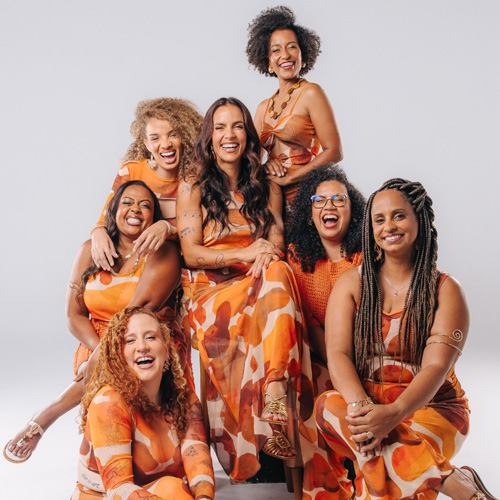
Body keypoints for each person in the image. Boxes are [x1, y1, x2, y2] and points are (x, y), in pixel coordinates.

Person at [314, 179, 496, 500]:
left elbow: (436, 368)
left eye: (399, 215)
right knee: (327, 405)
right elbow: (338, 354)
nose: (389, 226)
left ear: (419, 220)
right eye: (379, 219)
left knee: (392, 470)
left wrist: (393, 414)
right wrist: (363, 409)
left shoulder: (445, 290)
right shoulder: (352, 283)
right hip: (369, 405)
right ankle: (454, 482)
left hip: (434, 409)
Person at [177, 97, 313, 482]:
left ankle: (274, 390)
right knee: (275, 281)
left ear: (248, 135)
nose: (229, 135)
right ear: (209, 137)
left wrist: (265, 253)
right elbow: (191, 253)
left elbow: (276, 239)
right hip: (211, 293)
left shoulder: (265, 184)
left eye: (237, 126)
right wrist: (245, 253)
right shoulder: (193, 186)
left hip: (259, 283)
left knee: (278, 270)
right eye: (220, 127)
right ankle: (274, 392)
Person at [4, 181, 184, 464]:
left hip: (141, 339)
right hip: (94, 338)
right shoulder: (89, 250)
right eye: (127, 202)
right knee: (103, 375)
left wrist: (105, 355)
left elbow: (137, 311)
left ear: (154, 217)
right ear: (113, 211)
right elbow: (73, 315)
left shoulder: (165, 252)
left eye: (145, 205)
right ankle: (106, 448)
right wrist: (99, 349)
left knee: (116, 363)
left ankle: (45, 417)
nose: (135, 210)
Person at [72, 306, 214, 500]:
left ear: (166, 349)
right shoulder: (108, 404)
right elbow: (119, 488)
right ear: (118, 355)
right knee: (171, 489)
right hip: (107, 496)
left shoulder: (184, 399)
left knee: (172, 488)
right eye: (130, 340)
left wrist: (204, 498)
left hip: (160, 493)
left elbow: (198, 461)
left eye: (150, 337)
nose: (142, 347)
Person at [287, 164, 364, 499]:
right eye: (319, 200)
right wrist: (336, 364)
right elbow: (311, 323)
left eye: (339, 199)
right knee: (313, 392)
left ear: (353, 210)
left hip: (366, 354)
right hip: (324, 356)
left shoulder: (366, 255)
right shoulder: (297, 257)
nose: (329, 206)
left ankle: (373, 480)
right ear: (309, 215)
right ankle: (328, 490)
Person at [248, 6, 343, 212]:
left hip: (305, 193)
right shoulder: (263, 108)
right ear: (268, 60)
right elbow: (248, 160)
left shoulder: (311, 93)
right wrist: (264, 167)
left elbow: (334, 152)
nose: (285, 55)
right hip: (269, 197)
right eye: (276, 50)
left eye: (291, 47)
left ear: (303, 54)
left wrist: (289, 178)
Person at [91, 97, 203, 271]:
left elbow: (200, 229)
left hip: (170, 266)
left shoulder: (196, 180)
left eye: (173, 135)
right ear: (147, 144)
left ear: (185, 136)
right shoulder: (131, 171)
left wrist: (167, 227)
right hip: (130, 260)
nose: (165, 144)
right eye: (155, 138)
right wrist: (98, 233)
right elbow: (105, 220)